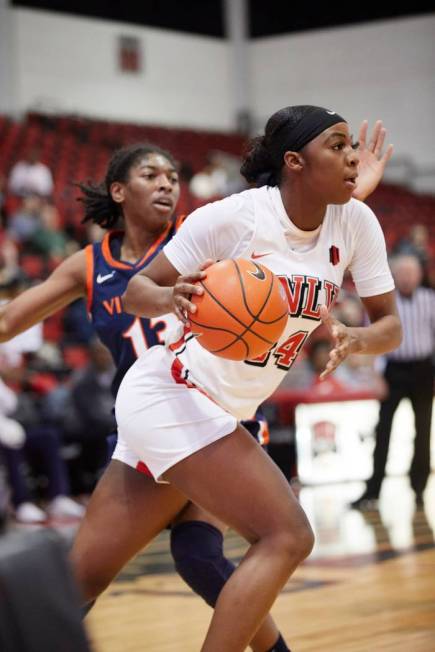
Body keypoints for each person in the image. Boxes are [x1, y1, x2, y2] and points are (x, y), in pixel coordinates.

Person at [70, 105, 399, 652]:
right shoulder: (235, 217)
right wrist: (170, 296)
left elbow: (389, 326)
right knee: (288, 534)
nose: (352, 157)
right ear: (294, 161)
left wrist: (360, 338)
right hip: (173, 390)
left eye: (351, 147)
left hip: (223, 410)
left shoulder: (355, 222)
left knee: (82, 577)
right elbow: (134, 291)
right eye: (337, 145)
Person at [0, 142, 292, 651]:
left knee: (193, 556)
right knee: (152, 565)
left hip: (213, 415)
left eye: (173, 176)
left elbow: (286, 234)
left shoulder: (202, 239)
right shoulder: (89, 266)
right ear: (119, 190)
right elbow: (8, 321)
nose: (167, 184)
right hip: (143, 429)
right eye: (151, 174)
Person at [351, 253, 434, 511]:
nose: (408, 277)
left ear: (419, 275)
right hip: (394, 372)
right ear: (394, 275)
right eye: (403, 272)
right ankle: (373, 491)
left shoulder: (430, 300)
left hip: (423, 370)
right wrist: (376, 377)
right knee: (383, 431)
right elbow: (372, 341)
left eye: (412, 272)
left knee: (423, 433)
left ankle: (419, 490)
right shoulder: (384, 304)